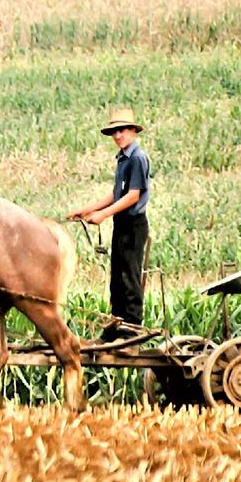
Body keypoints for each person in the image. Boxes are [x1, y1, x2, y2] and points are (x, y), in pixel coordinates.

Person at [67, 107, 150, 341]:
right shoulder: (123, 159)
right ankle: (118, 322)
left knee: (130, 275)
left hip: (134, 224)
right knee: (117, 275)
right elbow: (117, 194)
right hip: (121, 222)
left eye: (122, 130)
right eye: (114, 132)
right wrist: (89, 209)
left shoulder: (137, 158)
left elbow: (133, 196)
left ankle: (132, 327)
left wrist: (103, 216)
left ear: (133, 131)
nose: (118, 136)